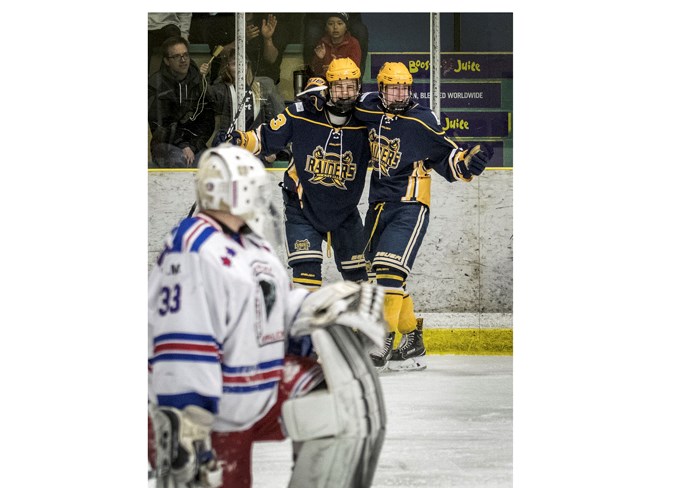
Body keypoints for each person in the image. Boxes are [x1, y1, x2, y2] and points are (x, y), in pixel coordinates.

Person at [148, 144, 388, 488]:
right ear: (225, 193)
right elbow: (182, 339)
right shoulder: (194, 248)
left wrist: (321, 310)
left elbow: (270, 307)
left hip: (246, 391)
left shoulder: (251, 245)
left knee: (340, 402)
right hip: (201, 408)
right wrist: (187, 422)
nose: (258, 198)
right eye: (250, 189)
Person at [354, 62, 492, 372]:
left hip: (410, 206)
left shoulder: (422, 120)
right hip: (377, 207)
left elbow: (449, 156)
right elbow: (342, 105)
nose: (400, 94)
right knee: (377, 278)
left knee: (389, 271)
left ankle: (381, 340)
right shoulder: (367, 108)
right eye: (393, 87)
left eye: (404, 87)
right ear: (380, 88)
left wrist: (468, 163)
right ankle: (413, 338)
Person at [219, 58, 371, 291]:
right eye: (339, 87)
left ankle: (364, 327)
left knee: (359, 280)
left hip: (345, 211)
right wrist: (240, 140)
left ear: (359, 87)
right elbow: (267, 138)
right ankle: (304, 328)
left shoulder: (367, 119)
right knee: (306, 279)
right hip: (302, 205)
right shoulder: (302, 112)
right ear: (329, 88)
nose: (345, 93)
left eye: (350, 86)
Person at [199, 49, 276, 163]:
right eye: (235, 64)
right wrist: (204, 77)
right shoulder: (221, 89)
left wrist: (271, 148)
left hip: (255, 146)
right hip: (230, 146)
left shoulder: (260, 89)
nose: (240, 67)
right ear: (227, 67)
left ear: (248, 66)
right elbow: (207, 95)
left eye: (243, 63)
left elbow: (270, 122)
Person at [148, 36, 215, 168]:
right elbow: (160, 123)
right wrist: (183, 145)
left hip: (194, 144)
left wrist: (193, 146)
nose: (183, 60)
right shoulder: (156, 84)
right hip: (166, 144)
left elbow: (208, 121)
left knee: (213, 165)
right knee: (179, 161)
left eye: (185, 55)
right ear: (167, 61)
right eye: (177, 56)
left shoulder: (199, 82)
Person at [303, 13, 369, 73]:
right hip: (321, 15)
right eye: (331, 24)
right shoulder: (322, 44)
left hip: (345, 78)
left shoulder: (353, 43)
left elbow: (354, 65)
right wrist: (319, 58)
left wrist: (336, 67)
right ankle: (307, 76)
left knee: (361, 31)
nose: (335, 27)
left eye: (339, 24)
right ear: (326, 28)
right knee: (312, 32)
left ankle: (358, 81)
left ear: (346, 28)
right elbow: (317, 69)